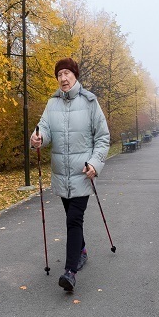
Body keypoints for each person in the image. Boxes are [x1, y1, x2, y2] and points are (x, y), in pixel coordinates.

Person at [30, 57, 110, 292]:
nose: (63, 78)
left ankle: (70, 272)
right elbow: (44, 128)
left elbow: (103, 137)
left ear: (75, 75)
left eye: (67, 73)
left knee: (74, 220)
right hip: (61, 174)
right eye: (59, 75)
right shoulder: (52, 103)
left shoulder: (89, 102)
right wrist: (38, 138)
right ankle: (82, 250)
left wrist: (95, 164)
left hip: (82, 173)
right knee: (70, 217)